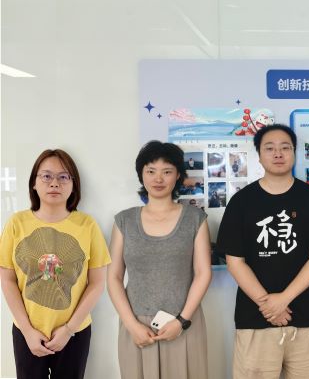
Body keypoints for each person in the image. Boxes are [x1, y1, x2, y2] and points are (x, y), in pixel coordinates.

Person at [216, 124, 309, 379]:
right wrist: (267, 304)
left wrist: (282, 300)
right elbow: (235, 261)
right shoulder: (241, 202)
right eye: (269, 148)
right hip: (254, 320)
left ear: (294, 152)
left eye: (285, 147)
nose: (278, 153)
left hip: (307, 317)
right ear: (259, 155)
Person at [0, 149, 111, 379]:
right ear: (34, 183)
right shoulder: (16, 223)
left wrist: (69, 330)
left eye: (63, 177)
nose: (54, 183)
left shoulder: (87, 225)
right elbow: (7, 279)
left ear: (73, 184)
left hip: (74, 332)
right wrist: (27, 330)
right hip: (27, 331)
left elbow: (97, 283)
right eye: (46, 176)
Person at [107, 141, 211, 379]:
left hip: (183, 323)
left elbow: (203, 273)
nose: (158, 178)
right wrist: (131, 325)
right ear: (141, 174)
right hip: (136, 326)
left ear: (178, 176)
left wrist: (182, 321)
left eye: (167, 171)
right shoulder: (124, 220)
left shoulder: (195, 219)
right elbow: (113, 277)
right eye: (151, 171)